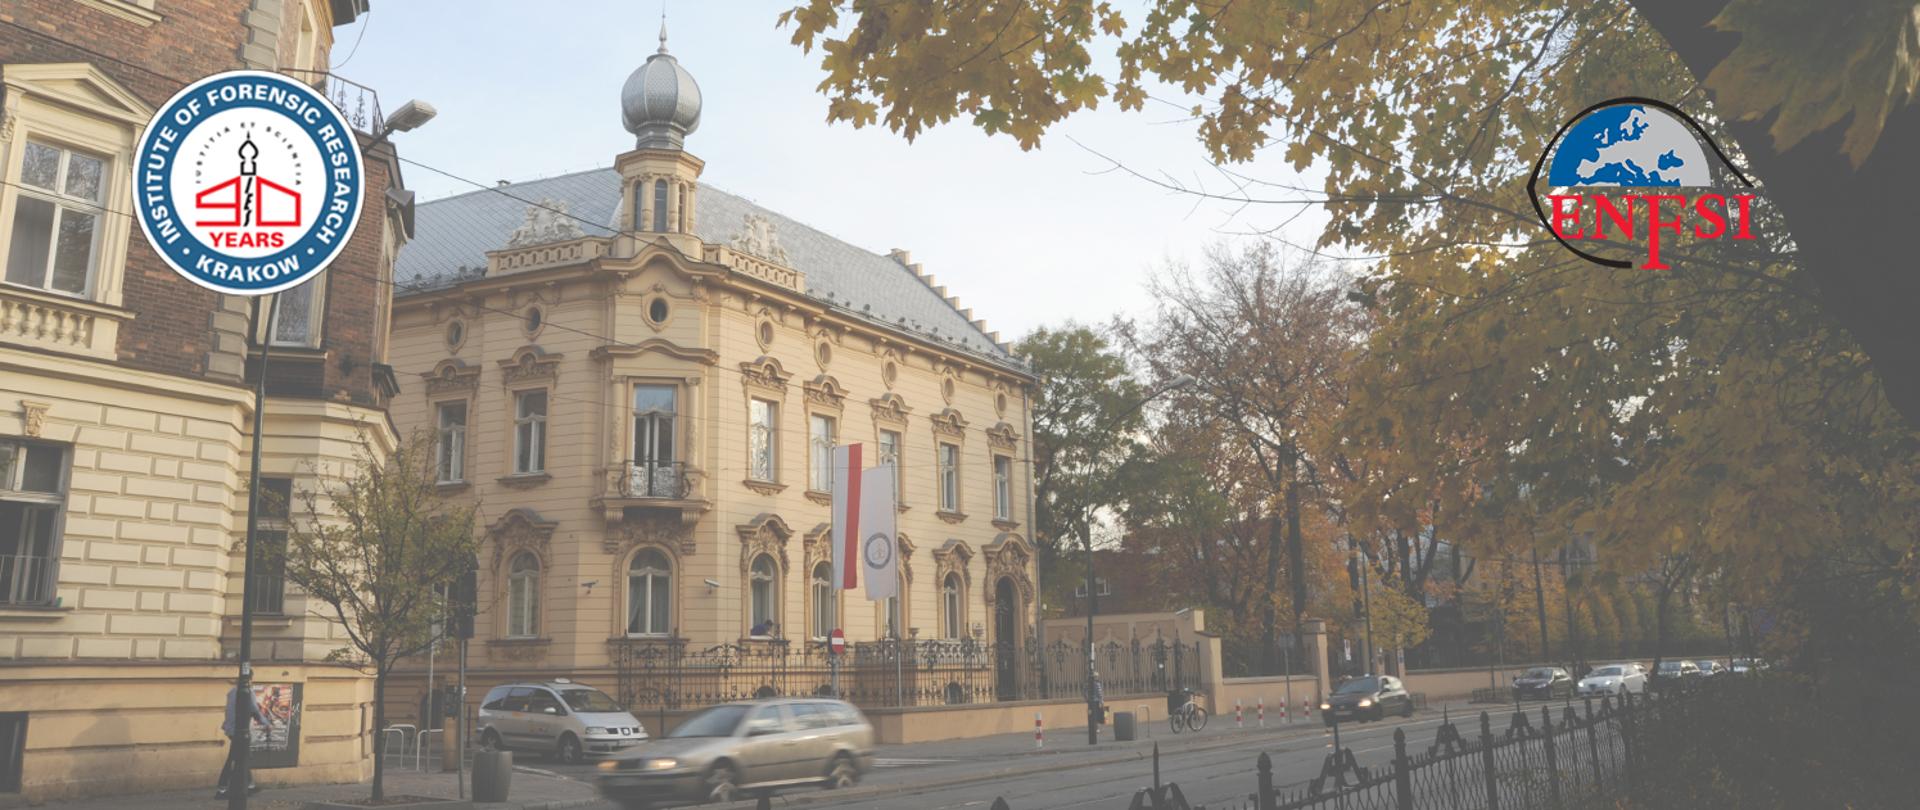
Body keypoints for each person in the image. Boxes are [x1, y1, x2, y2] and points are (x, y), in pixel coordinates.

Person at [216, 684, 269, 798]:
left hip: (231, 729)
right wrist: (265, 723)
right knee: (233, 759)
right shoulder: (247, 691)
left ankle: (250, 785)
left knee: (243, 756)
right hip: (239, 731)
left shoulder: (233, 691)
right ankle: (222, 789)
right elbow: (254, 709)